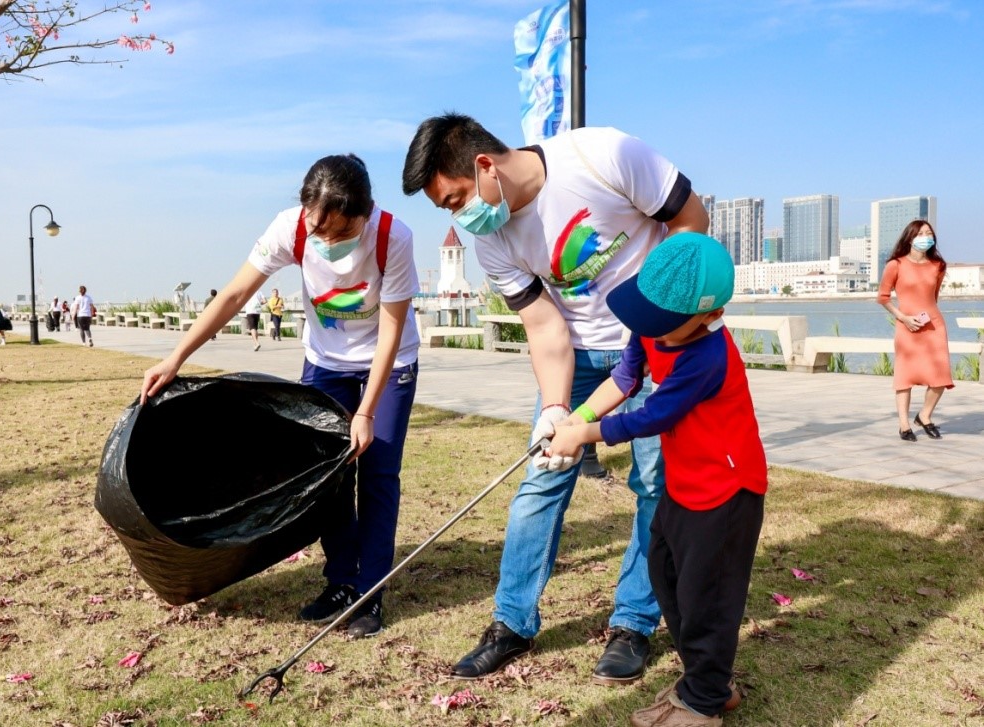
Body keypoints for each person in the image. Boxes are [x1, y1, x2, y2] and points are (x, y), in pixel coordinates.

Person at [402, 113, 709, 683]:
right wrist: (554, 409)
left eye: (454, 199)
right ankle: (511, 622)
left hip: (653, 349)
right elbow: (545, 328)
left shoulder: (604, 156)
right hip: (581, 358)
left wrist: (672, 327)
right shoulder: (491, 237)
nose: (458, 215)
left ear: (485, 165)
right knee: (541, 479)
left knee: (653, 486)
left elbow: (690, 221)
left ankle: (632, 623)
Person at [141, 154, 421, 639]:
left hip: (389, 364)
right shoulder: (289, 229)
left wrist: (368, 411)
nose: (327, 243)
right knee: (326, 476)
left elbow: (392, 327)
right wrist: (176, 357)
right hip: (326, 362)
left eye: (339, 234)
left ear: (365, 211)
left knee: (377, 474)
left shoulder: (393, 236)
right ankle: (340, 582)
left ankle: (371, 592)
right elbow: (232, 295)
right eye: (319, 231)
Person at [547, 233, 765, 727]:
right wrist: (572, 418)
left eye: (664, 323)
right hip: (685, 484)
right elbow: (625, 378)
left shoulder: (708, 357)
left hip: (727, 493)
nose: (651, 331)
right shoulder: (653, 325)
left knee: (707, 595)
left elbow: (653, 416)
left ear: (709, 315)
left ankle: (705, 700)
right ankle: (705, 681)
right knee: (667, 575)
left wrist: (586, 435)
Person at [877, 220, 953, 441]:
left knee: (941, 376)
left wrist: (928, 317)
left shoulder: (938, 265)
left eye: (929, 233)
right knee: (905, 376)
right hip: (906, 325)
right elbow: (882, 297)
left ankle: (925, 416)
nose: (926, 236)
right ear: (910, 237)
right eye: (921, 233)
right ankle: (904, 425)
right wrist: (903, 318)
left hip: (934, 325)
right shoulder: (896, 265)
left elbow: (934, 296)